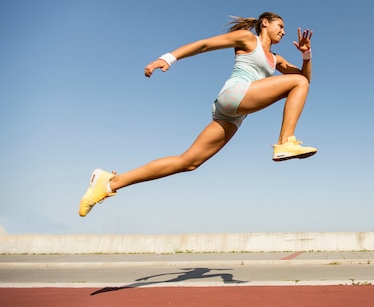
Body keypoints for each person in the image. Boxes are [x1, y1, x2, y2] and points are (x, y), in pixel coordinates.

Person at [78, 12, 317, 217]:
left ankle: (109, 182)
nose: (283, 32)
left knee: (189, 162)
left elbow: (305, 79)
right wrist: (168, 58)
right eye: (281, 26)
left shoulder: (276, 60)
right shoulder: (247, 39)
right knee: (296, 83)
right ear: (265, 23)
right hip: (234, 94)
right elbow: (204, 44)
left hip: (234, 115)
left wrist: (306, 55)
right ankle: (285, 142)